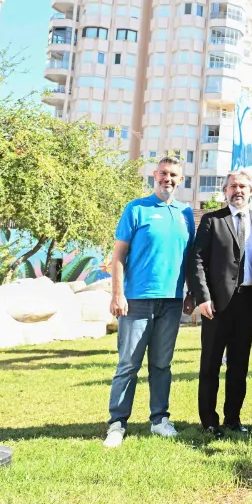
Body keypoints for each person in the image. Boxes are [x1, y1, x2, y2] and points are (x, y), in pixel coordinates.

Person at [103, 157, 195, 448]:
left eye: (174, 175)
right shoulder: (136, 208)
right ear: (155, 175)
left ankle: (159, 420)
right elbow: (118, 256)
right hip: (137, 300)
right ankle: (117, 424)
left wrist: (191, 293)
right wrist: (117, 294)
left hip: (171, 301)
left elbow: (190, 258)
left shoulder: (186, 214)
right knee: (128, 364)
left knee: (161, 364)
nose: (168, 178)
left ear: (181, 180)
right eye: (164, 173)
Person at [188, 171, 252, 437]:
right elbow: (197, 261)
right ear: (225, 191)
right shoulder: (211, 220)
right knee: (211, 364)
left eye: (243, 186)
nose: (238, 190)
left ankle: (233, 419)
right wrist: (203, 299)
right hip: (216, 305)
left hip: (248, 304)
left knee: (239, 366)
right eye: (233, 186)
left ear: (251, 191)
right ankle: (209, 421)